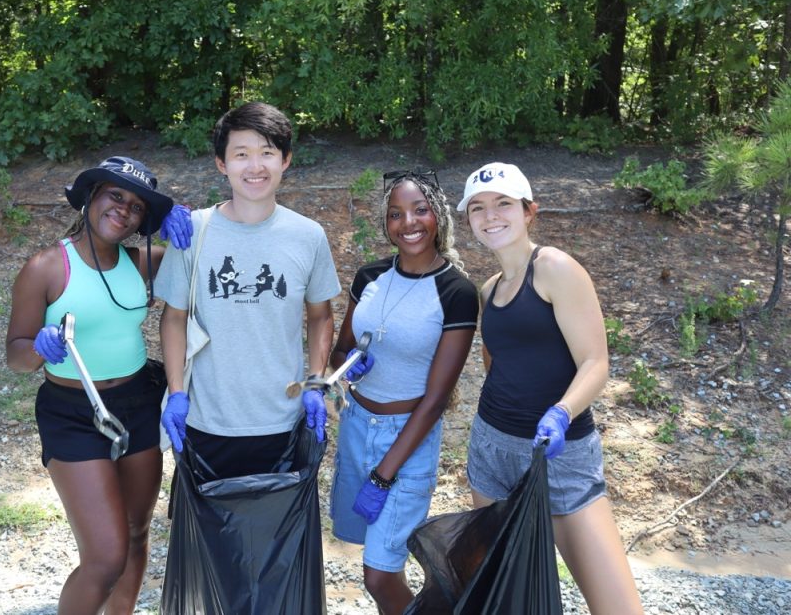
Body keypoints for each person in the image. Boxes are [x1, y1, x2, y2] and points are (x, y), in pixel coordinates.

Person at [5, 157, 192, 615]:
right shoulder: (46, 268)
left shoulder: (140, 261)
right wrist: (40, 348)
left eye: (137, 206)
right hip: (73, 411)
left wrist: (183, 217)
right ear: (91, 197)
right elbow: (15, 355)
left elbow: (204, 250)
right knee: (106, 557)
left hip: (139, 400)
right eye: (115, 196)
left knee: (135, 533)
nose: (125, 210)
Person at [458, 162, 644, 614]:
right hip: (492, 453)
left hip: (560, 458)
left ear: (529, 212)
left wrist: (562, 412)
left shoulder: (556, 268)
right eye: (478, 208)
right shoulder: (489, 289)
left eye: (503, 204)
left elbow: (596, 363)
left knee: (619, 608)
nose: (491, 215)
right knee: (509, 598)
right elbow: (496, 362)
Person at [156, 100, 341, 477]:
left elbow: (320, 315)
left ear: (285, 160)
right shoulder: (192, 232)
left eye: (267, 153)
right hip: (207, 421)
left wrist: (316, 382)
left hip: (284, 421)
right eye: (241, 154)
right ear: (222, 163)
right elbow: (173, 318)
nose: (255, 167)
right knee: (211, 534)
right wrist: (176, 393)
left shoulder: (308, 236)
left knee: (276, 535)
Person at [328, 169, 478, 614]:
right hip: (356, 428)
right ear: (385, 222)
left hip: (407, 439)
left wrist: (384, 474)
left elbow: (436, 400)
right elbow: (339, 353)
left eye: (420, 210)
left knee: (379, 573)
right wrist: (351, 366)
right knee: (375, 564)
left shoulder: (457, 292)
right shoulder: (369, 276)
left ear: (438, 217)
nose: (408, 222)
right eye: (396, 214)